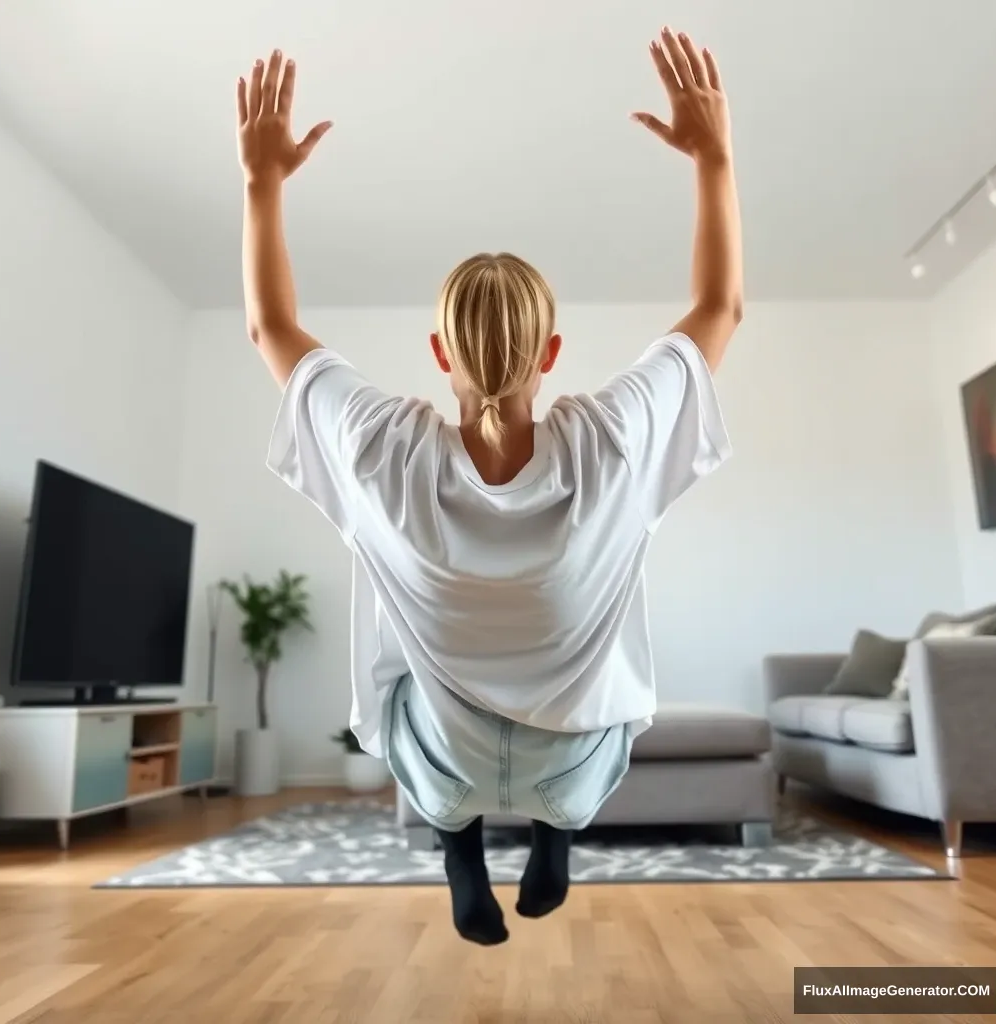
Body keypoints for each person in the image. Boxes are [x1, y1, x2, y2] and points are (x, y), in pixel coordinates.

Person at [236, 25, 742, 946]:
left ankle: (458, 850)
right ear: (552, 354)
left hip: (444, 763)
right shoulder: (612, 443)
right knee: (613, 681)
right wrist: (713, 156)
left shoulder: (384, 448)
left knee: (403, 685)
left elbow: (271, 327)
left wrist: (262, 182)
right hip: (574, 767)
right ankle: (555, 840)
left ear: (441, 354)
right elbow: (719, 311)